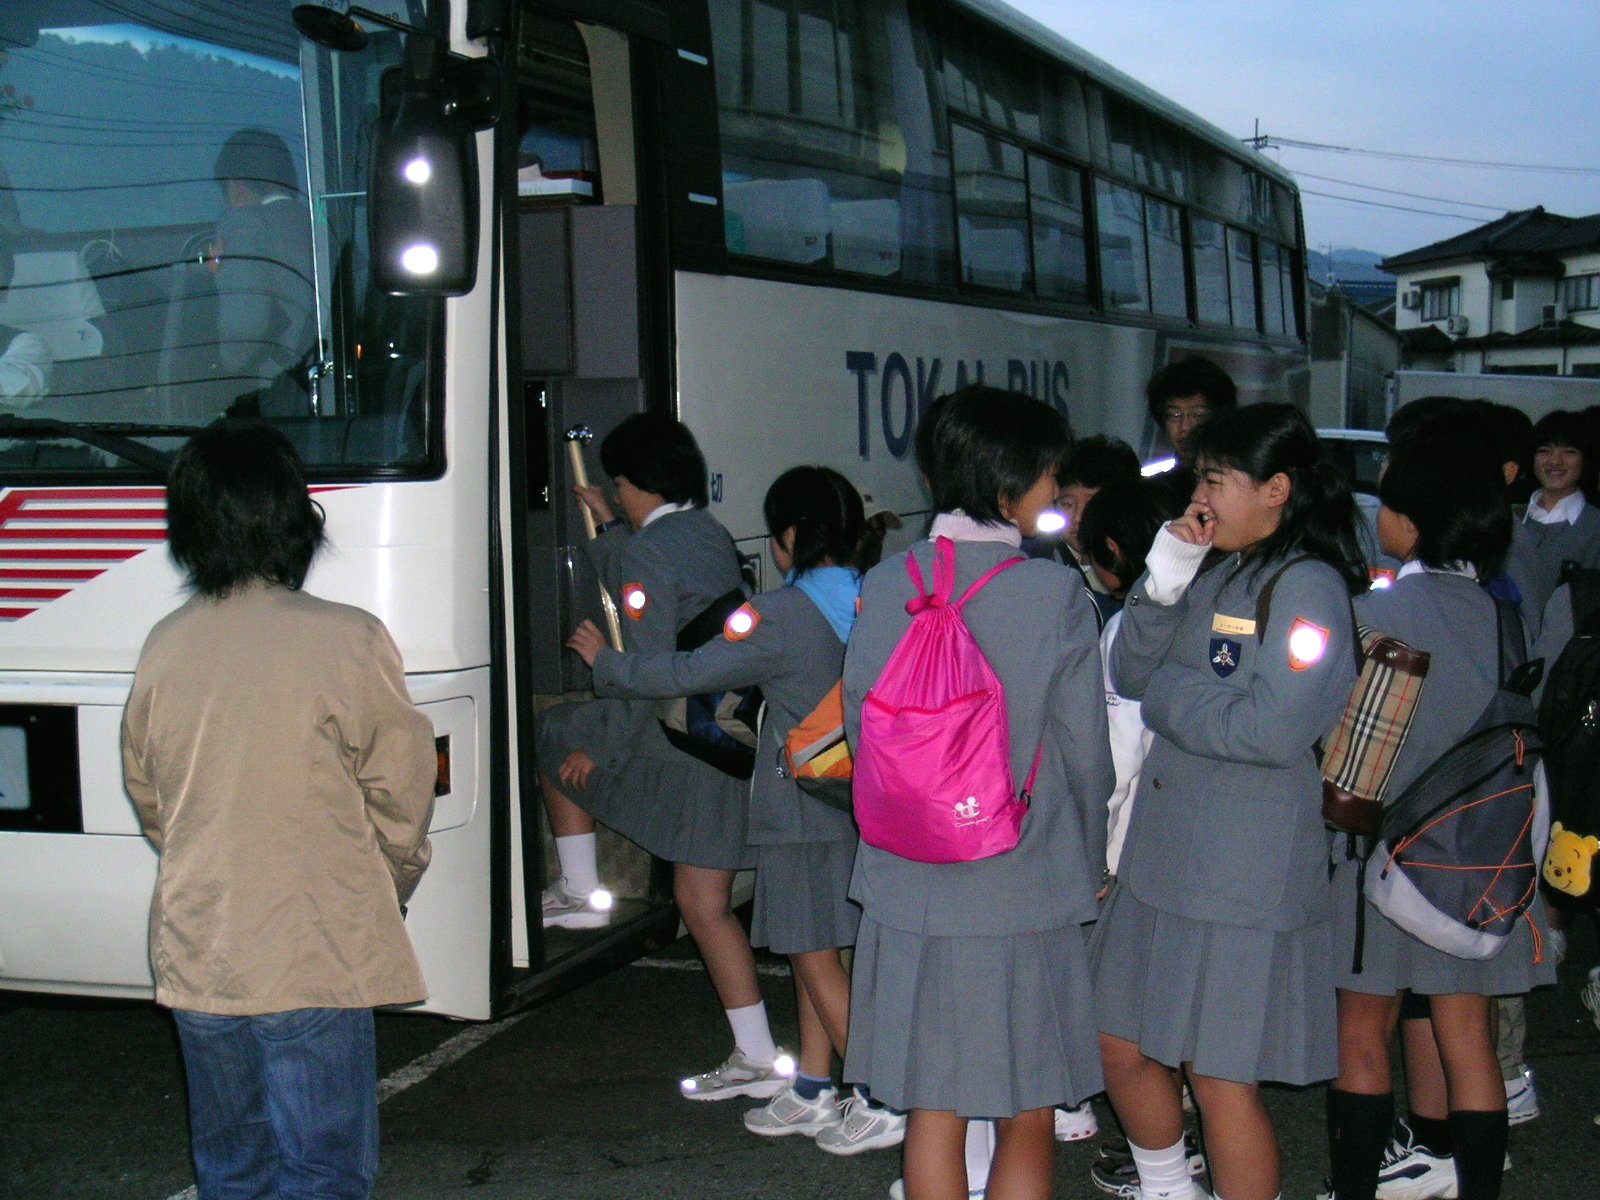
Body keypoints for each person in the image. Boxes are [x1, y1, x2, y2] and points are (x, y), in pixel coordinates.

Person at [121, 419, 437, 1200]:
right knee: (323, 1172)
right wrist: (390, 878)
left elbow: (150, 793)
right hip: (312, 945)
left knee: (233, 1170)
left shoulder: (166, 642)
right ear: (296, 521)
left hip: (200, 948)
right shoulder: (347, 638)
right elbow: (402, 788)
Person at [567, 466, 906, 1152]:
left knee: (811, 956)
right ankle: (816, 1086)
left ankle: (881, 1097)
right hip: (859, 796)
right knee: (825, 948)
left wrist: (608, 663)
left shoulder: (782, 613)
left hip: (799, 806)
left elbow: (688, 670)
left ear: (787, 537)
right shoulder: (880, 596)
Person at [843, 384, 1114, 1200]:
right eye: (1046, 477)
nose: (1056, 492)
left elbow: (863, 724)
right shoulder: (1055, 593)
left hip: (906, 879)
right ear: (1006, 485)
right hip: (1020, 881)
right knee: (1025, 1106)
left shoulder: (891, 580)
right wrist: (1092, 854)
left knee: (935, 1104)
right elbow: (1083, 753)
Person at [1094, 403, 1365, 1200]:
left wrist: (1170, 701)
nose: (1200, 496)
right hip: (1165, 857)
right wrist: (1168, 569)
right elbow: (1131, 672)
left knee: (1218, 1078)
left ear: (1277, 488)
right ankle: (1171, 1186)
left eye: (1216, 478)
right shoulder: (1213, 565)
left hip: (1241, 872)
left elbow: (1273, 728)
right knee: (1118, 1038)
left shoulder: (1308, 586)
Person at [1324, 432, 1556, 1200]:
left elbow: (1340, 740)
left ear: (1414, 519)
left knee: (1363, 1037)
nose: (1378, 515)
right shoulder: (1502, 615)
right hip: (1474, 857)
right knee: (1469, 1042)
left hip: (1382, 861)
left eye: (1387, 501)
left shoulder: (1374, 612)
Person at [535, 414, 785, 1100]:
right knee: (703, 900)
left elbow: (642, 667)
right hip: (726, 733)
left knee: (560, 739)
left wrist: (599, 745)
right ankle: (758, 1056)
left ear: (637, 483)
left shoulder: (649, 550)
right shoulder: (703, 530)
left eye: (618, 484)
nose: (614, 493)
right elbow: (647, 578)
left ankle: (582, 891)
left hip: (685, 742)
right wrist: (612, 529)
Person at [210, 129, 316, 411]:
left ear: (236, 186)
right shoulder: (318, 223)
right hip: (320, 385)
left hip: (272, 392)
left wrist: (220, 272)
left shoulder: (243, 226)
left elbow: (244, 325)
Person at [1058, 435, 1142, 618]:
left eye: (1090, 504)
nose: (1078, 518)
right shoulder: (1044, 562)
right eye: (1067, 504)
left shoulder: (1143, 566)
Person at [1144, 357, 1238, 515]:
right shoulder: (1153, 492)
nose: (1185, 426)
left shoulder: (1239, 486)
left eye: (1198, 415)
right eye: (1174, 415)